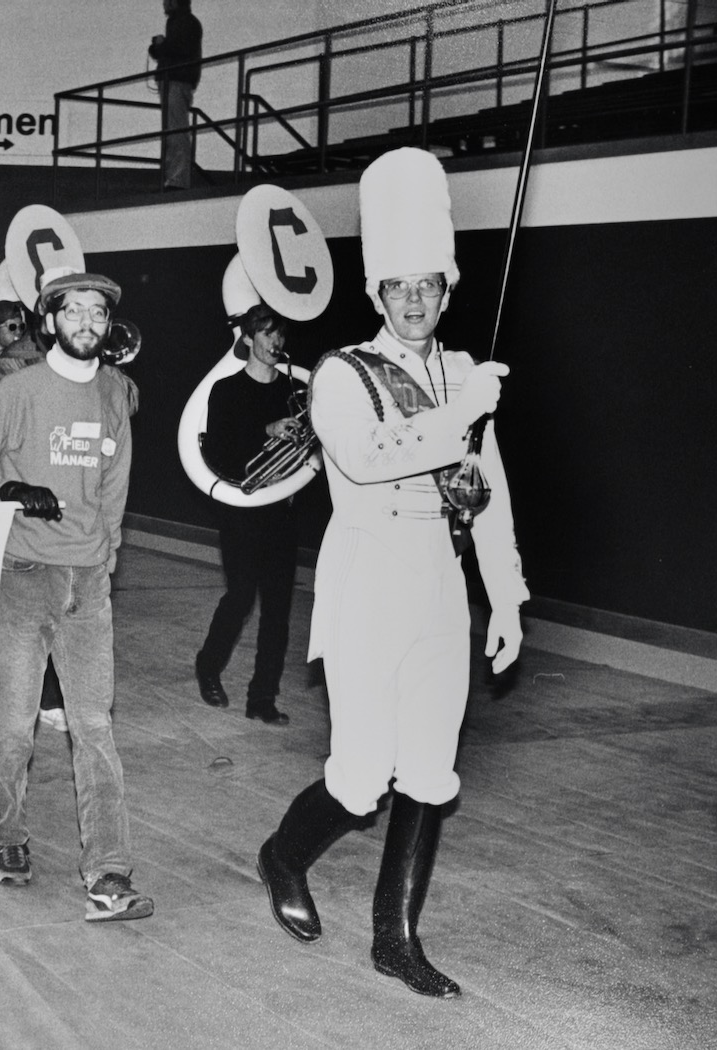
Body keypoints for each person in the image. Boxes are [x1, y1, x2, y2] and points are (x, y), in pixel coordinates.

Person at [256, 147, 525, 998]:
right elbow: (371, 457)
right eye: (397, 288)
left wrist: (507, 594)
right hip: (368, 579)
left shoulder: (460, 374)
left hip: (439, 586)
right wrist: (464, 410)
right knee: (362, 773)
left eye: (428, 287)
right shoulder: (342, 372)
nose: (414, 302)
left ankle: (395, 938)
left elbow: (488, 494)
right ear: (376, 294)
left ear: (447, 289)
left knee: (431, 768)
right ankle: (283, 854)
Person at [0, 272, 151, 923]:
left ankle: (109, 872)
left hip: (88, 587)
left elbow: (114, 485)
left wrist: (106, 562)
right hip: (24, 577)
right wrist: (7, 494)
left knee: (95, 728)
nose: (88, 321)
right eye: (76, 311)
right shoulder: (18, 392)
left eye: (98, 312)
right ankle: (8, 837)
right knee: (13, 726)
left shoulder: (117, 392)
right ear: (50, 320)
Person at [194, 300, 302, 725]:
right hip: (241, 511)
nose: (276, 342)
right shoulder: (226, 389)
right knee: (240, 597)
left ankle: (263, 698)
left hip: (281, 512)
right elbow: (218, 453)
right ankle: (208, 666)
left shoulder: (294, 393)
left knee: (278, 608)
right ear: (248, 338)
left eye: (280, 334)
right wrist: (267, 430)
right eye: (267, 333)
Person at [150, 0, 203, 190]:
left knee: (175, 130)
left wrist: (159, 45)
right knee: (173, 130)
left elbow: (176, 49)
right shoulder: (184, 22)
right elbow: (177, 49)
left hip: (177, 80)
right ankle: (174, 177)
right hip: (175, 80)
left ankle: (177, 179)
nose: (164, 3)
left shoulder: (184, 22)